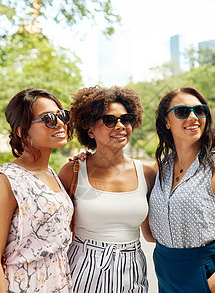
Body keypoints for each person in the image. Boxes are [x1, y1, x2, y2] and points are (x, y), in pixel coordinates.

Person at [149, 87, 215, 293]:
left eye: (200, 110)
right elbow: (150, 232)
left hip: (205, 277)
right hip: (165, 272)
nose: (193, 117)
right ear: (166, 122)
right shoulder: (161, 166)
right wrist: (87, 161)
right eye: (182, 112)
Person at [58, 86, 156, 293]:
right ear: (90, 129)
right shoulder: (72, 171)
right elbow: (52, 226)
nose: (120, 126)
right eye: (109, 120)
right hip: (83, 269)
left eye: (126, 119)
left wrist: (202, 237)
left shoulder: (146, 173)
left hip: (132, 269)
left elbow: (151, 233)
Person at [0, 89, 74, 292]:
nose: (60, 123)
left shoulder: (51, 173)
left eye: (62, 115)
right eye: (48, 118)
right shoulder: (9, 180)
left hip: (58, 282)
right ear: (22, 131)